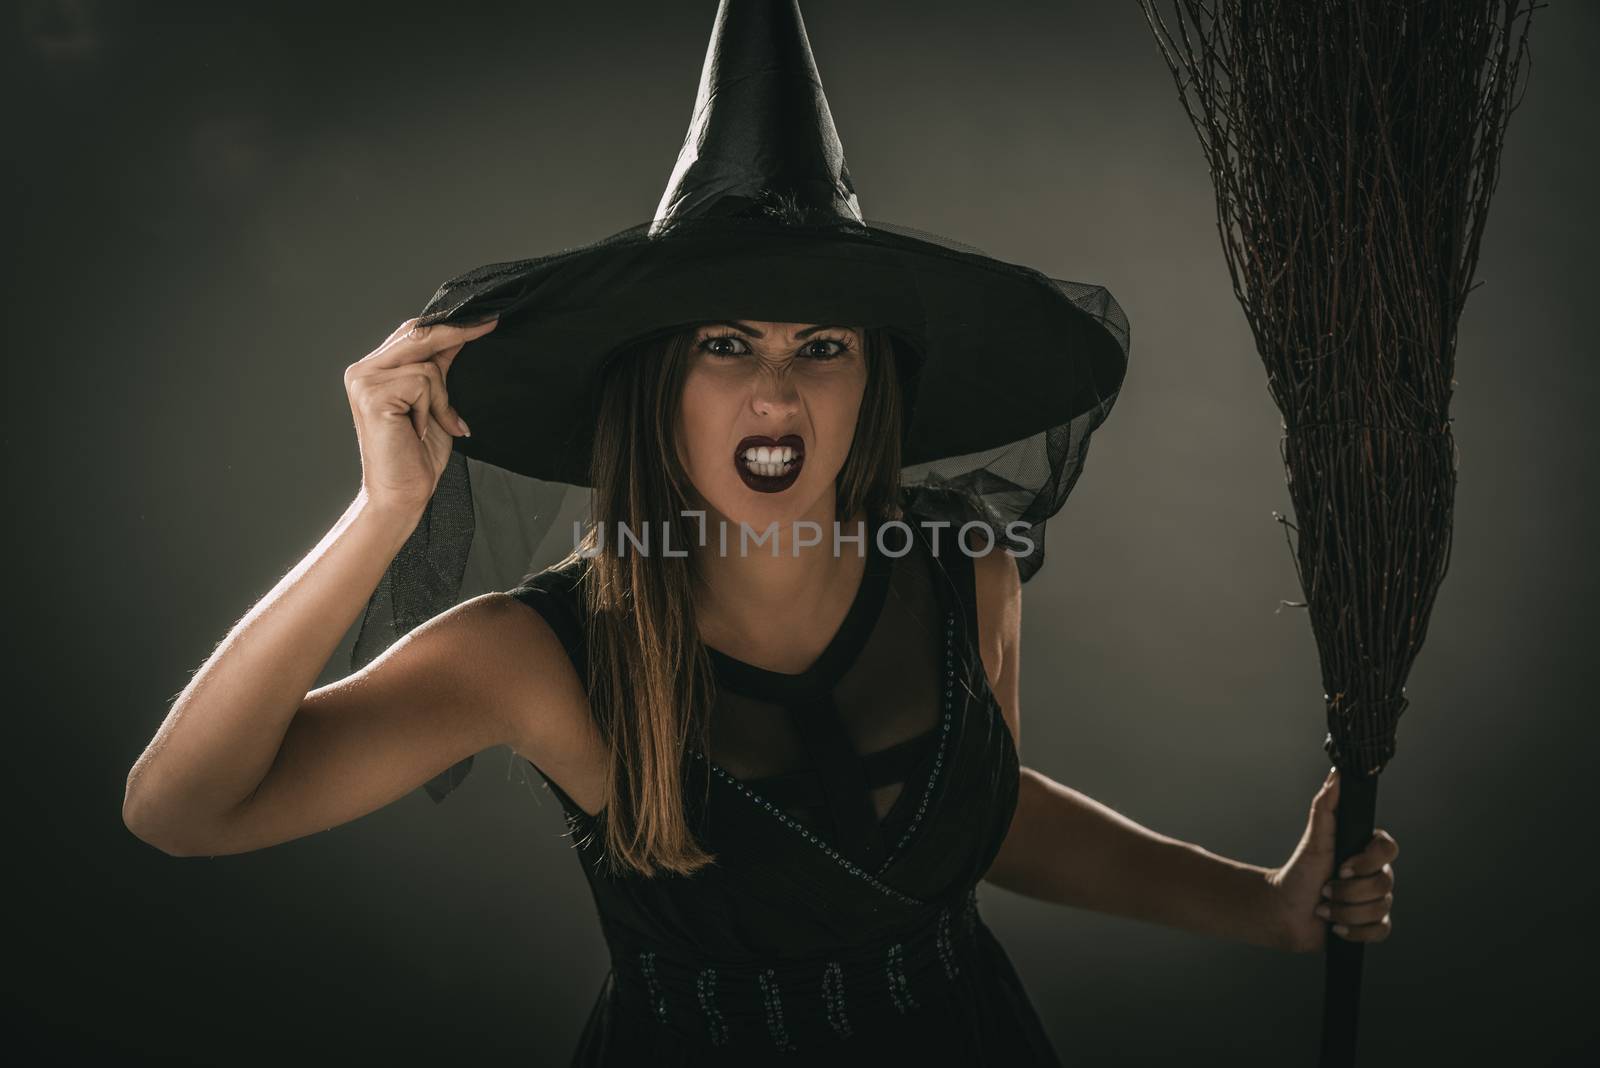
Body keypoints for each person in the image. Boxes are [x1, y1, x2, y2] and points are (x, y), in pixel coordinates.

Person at [122, 2, 1399, 1064]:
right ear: (655, 387)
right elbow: (182, 812)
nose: (776, 392)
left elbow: (983, 814)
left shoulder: (966, 573)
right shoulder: (535, 657)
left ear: (872, 389)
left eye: (821, 348)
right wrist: (382, 512)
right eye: (725, 344)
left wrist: (1263, 906)